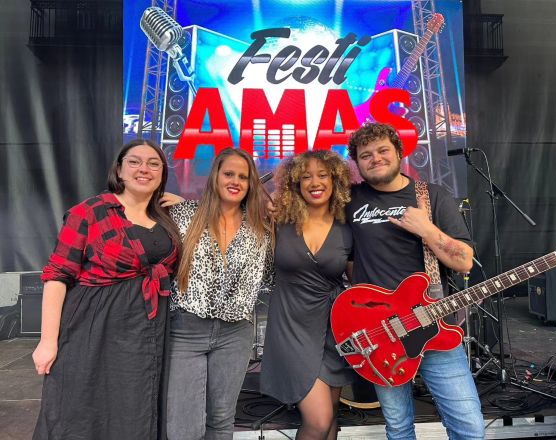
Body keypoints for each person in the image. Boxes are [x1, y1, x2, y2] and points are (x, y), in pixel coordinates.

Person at [32, 139, 181, 440]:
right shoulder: (89, 212)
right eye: (134, 162)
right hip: (94, 327)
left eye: (154, 164)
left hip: (148, 330)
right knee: (83, 406)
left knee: (137, 404)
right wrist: (47, 341)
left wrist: (185, 203)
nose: (144, 169)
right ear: (119, 170)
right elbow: (58, 275)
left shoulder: (166, 217)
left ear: (162, 174)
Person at [345, 122, 486, 440]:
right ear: (358, 163)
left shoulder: (432, 196)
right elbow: (349, 261)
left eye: (383, 150)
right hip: (382, 333)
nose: (375, 158)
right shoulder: (350, 200)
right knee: (398, 428)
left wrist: (427, 230)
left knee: (470, 428)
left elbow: (464, 261)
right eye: (366, 155)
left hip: (434, 328)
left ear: (399, 152)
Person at [165, 148, 273, 440]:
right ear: (215, 176)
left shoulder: (261, 228)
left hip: (236, 334)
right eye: (229, 174)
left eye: (243, 177)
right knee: (183, 427)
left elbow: (272, 276)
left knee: (222, 420)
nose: (235, 181)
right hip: (186, 330)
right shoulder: (182, 214)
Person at [260, 150, 354, 440]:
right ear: (295, 183)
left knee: (331, 416)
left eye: (323, 175)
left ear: (335, 180)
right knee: (318, 420)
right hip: (291, 326)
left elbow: (358, 283)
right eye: (306, 176)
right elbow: (229, 209)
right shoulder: (279, 219)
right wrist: (186, 205)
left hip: (332, 328)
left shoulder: (347, 227)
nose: (315, 182)